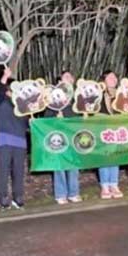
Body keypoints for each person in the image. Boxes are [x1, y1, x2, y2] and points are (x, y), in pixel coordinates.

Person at [43, 70, 82, 205]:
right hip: (57, 139)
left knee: (73, 166)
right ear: (59, 82)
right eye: (65, 77)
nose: (68, 80)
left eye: (70, 77)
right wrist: (55, 118)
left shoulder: (77, 101)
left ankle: (73, 193)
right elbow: (46, 121)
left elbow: (80, 121)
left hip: (72, 139)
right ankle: (60, 194)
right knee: (59, 167)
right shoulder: (52, 102)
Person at [0, 67, 28, 211]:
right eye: (13, 89)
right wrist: (4, 77)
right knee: (3, 170)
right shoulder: (1, 101)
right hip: (4, 140)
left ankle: (18, 197)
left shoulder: (21, 106)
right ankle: (3, 198)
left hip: (20, 141)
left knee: (19, 171)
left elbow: (26, 123)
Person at [99, 71, 123, 199]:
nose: (113, 79)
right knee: (104, 157)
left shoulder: (122, 94)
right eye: (110, 77)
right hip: (103, 130)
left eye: (115, 77)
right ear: (104, 80)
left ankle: (114, 184)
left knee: (115, 157)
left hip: (117, 131)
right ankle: (104, 186)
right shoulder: (98, 94)